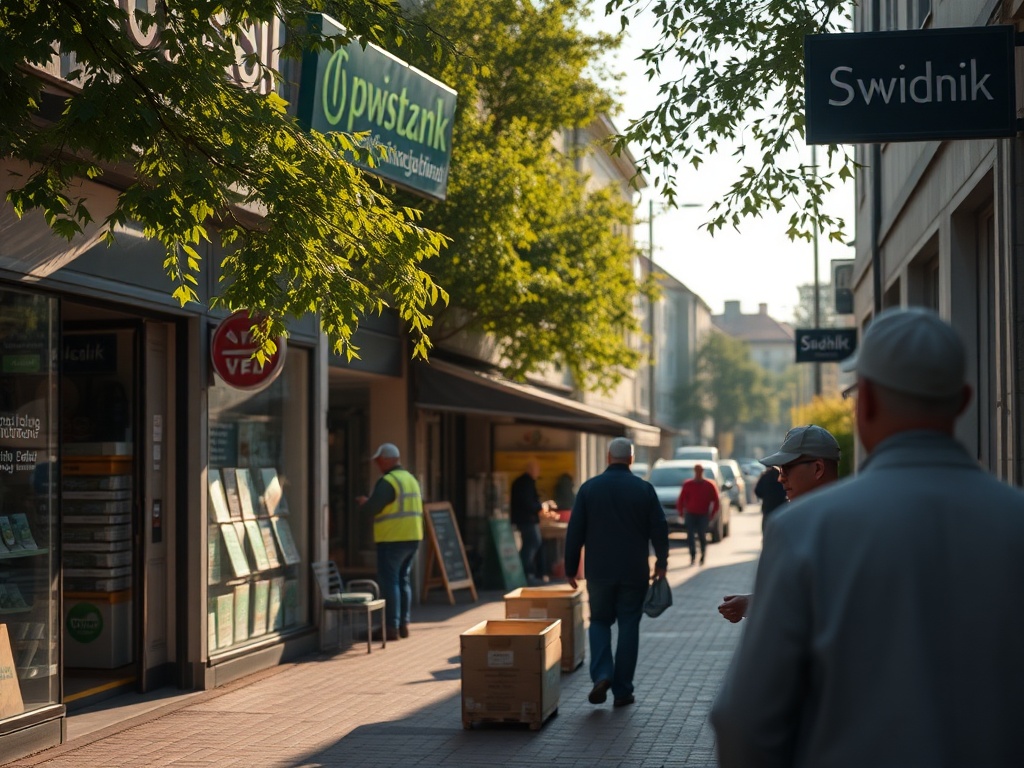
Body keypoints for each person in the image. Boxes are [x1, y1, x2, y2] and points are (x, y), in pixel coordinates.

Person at [711, 307, 1024, 767]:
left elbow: (745, 720)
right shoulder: (1014, 521)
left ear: (867, 402)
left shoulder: (804, 531)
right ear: (962, 400)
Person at [565, 437, 668, 708]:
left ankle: (601, 674)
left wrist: (570, 567)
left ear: (608, 457)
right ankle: (623, 691)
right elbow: (660, 528)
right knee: (628, 626)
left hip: (599, 571)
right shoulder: (644, 490)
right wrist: (662, 562)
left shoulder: (589, 489)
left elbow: (574, 532)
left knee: (599, 622)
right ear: (631, 459)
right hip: (634, 571)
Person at [718, 424, 841, 623]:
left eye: (786, 468)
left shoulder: (832, 526)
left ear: (818, 468)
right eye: (779, 469)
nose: (781, 478)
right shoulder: (811, 521)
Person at [355, 443, 423, 642]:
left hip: (392, 539)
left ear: (386, 459)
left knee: (390, 581)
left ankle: (390, 628)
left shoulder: (388, 481)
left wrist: (364, 503)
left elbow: (372, 509)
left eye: (378, 460)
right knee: (403, 581)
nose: (377, 464)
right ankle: (404, 625)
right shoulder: (411, 479)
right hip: (413, 538)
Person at [510, 459, 555, 585]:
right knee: (532, 544)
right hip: (527, 520)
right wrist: (542, 507)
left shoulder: (522, 482)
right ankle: (526, 573)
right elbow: (529, 503)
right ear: (532, 470)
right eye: (537, 469)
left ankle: (529, 573)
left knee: (531, 544)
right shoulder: (526, 483)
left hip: (524, 519)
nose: (538, 472)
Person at [676, 463, 720, 566]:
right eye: (696, 471)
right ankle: (692, 555)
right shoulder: (688, 484)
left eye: (700, 471)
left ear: (702, 471)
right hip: (690, 514)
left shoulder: (709, 485)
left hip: (703, 514)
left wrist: (712, 514)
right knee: (690, 536)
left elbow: (716, 501)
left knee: (702, 535)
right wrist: (681, 512)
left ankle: (703, 554)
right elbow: (681, 499)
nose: (698, 473)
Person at [752, 466, 786, 532]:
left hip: (768, 508)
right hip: (781, 508)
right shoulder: (782, 477)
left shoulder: (765, 476)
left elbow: (757, 491)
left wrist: (765, 496)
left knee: (767, 531)